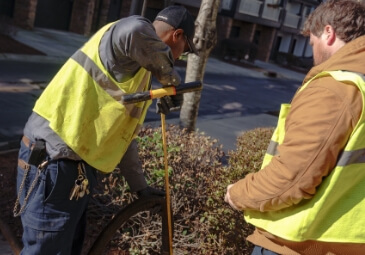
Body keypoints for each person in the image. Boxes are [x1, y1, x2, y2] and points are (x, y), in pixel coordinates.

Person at [14, 5, 198, 254]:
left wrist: (139, 186)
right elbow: (133, 30)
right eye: (183, 52)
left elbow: (122, 136)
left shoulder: (140, 72)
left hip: (69, 169)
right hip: (53, 162)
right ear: (176, 35)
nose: (178, 58)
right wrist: (171, 80)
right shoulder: (129, 33)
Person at [224, 0, 365, 254]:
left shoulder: (335, 88)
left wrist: (238, 194)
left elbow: (292, 177)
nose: (314, 55)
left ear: (329, 33)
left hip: (299, 243)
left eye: (312, 43)